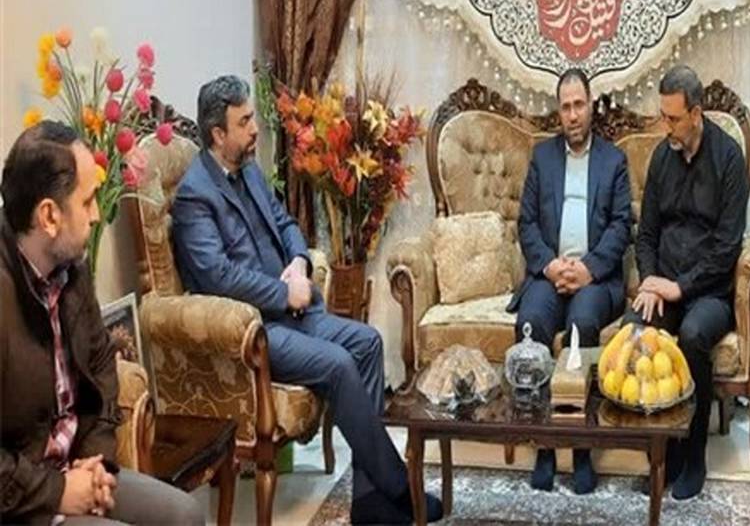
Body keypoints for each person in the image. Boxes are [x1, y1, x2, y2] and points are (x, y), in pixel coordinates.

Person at [170, 76, 441, 524]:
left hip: (294, 311)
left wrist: (298, 263)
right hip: (255, 331)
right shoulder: (195, 196)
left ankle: (369, 501)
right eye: (244, 122)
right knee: (338, 364)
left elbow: (286, 222)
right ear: (218, 134)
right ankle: (399, 487)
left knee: (368, 342)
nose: (255, 128)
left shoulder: (249, 171)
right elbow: (216, 276)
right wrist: (283, 292)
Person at [0, 121, 205, 526]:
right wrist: (58, 492)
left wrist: (95, 462)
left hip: (76, 469)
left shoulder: (70, 268)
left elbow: (101, 366)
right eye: (88, 201)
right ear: (49, 216)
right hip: (20, 501)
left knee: (185, 515)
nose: (97, 216)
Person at [629, 65, 750, 501]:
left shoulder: (728, 159)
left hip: (708, 290)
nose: (666, 126)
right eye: (662, 116)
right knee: (637, 330)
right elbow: (646, 234)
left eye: (673, 118)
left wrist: (680, 287)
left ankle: (693, 453)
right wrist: (649, 281)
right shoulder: (662, 157)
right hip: (664, 283)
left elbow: (727, 247)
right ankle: (661, 452)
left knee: (695, 335)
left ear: (696, 114)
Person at [510, 68, 633, 493]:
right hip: (549, 274)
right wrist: (549, 266)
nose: (573, 114)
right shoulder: (542, 157)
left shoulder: (613, 161)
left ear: (591, 105)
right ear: (558, 112)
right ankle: (544, 444)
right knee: (532, 323)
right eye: (565, 107)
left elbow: (621, 226)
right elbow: (526, 223)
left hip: (595, 279)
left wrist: (588, 269)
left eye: (579, 105)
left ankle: (581, 446)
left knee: (582, 326)